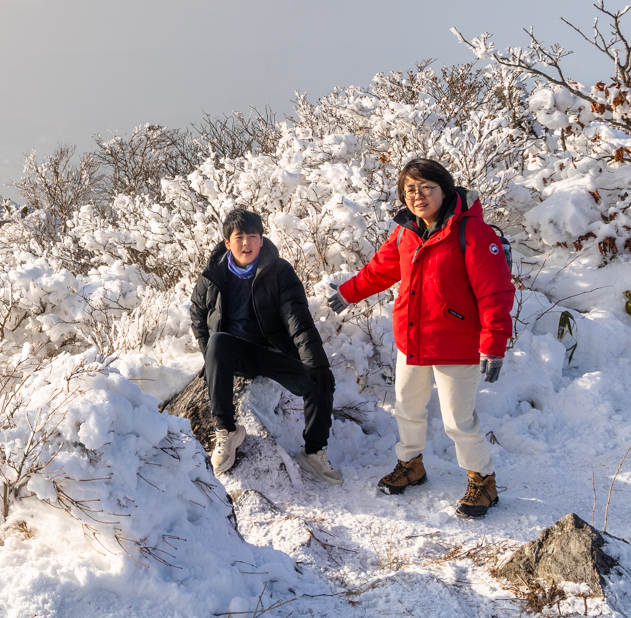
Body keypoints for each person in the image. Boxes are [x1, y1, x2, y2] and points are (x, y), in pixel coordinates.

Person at [327, 158, 514, 518]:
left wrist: (494, 344)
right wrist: (350, 292)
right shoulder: (406, 232)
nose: (418, 195)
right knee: (407, 408)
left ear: (444, 190)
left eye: (427, 187)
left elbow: (495, 293)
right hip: (412, 340)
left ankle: (483, 482)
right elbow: (380, 269)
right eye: (410, 189)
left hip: (456, 343)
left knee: (458, 420)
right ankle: (411, 465)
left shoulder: (473, 232)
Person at [189, 207, 340, 484]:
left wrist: (316, 363)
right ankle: (227, 431)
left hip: (275, 351)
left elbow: (298, 320)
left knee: (320, 381)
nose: (246, 243)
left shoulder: (279, 272)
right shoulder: (213, 274)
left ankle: (314, 451)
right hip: (234, 351)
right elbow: (198, 315)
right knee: (217, 342)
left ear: (261, 239)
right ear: (227, 242)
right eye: (239, 237)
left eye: (252, 236)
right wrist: (210, 358)